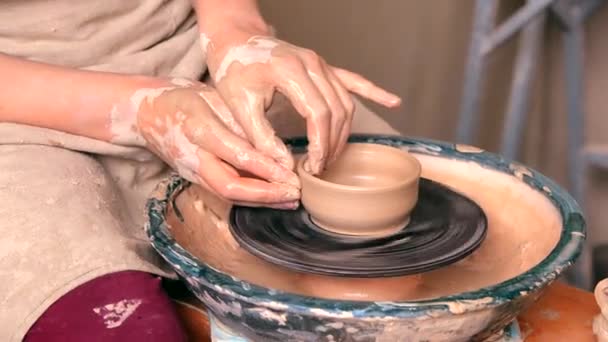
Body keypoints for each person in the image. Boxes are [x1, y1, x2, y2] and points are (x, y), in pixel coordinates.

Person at [0, 0, 402, 340]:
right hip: (22, 104)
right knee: (116, 323)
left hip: (191, 56)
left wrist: (237, 33)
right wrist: (138, 108)